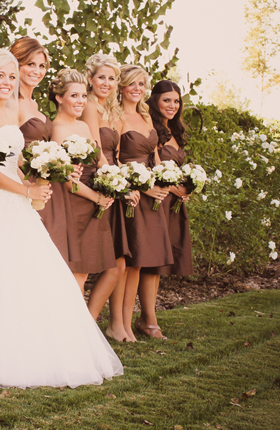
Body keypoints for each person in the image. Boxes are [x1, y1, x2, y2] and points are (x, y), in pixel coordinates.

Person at [0, 48, 123, 388]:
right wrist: (26, 192)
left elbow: (18, 158)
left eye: (12, 76)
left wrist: (43, 170)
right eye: (1, 76)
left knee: (38, 273)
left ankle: (41, 344)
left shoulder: (11, 109)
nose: (7, 83)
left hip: (19, 199)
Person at [81, 53, 138, 340]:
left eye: (111, 78)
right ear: (90, 79)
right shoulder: (89, 106)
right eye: (101, 77)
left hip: (111, 185)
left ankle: (91, 323)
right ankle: (85, 325)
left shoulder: (112, 112)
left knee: (118, 262)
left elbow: (115, 156)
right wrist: (119, 186)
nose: (106, 83)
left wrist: (126, 182)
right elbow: (96, 151)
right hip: (94, 185)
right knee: (97, 261)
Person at [11, 37, 82, 265]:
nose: (37, 71)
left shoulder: (34, 104)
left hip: (48, 186)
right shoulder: (13, 103)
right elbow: (9, 150)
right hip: (28, 185)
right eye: (30, 64)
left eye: (41, 66)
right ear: (16, 63)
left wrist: (62, 168)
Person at [117, 65, 174, 341]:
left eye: (142, 84)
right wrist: (142, 186)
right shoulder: (116, 116)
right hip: (133, 195)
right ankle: (121, 323)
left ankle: (130, 324)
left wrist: (163, 180)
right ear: (122, 86)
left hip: (152, 193)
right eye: (132, 84)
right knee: (128, 261)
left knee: (140, 263)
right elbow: (115, 159)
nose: (137, 89)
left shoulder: (145, 116)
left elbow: (155, 156)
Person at [50, 68, 117, 293]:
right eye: (74, 96)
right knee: (73, 270)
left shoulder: (83, 126)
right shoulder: (57, 130)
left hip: (93, 202)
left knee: (84, 270)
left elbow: (100, 161)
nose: (80, 101)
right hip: (73, 204)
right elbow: (66, 180)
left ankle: (76, 325)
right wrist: (96, 197)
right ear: (59, 98)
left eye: (82, 96)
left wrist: (114, 183)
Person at [141, 80, 194, 314]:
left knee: (162, 263)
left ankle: (148, 317)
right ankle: (149, 319)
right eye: (166, 100)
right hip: (156, 199)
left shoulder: (175, 131)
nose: (172, 105)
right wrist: (175, 188)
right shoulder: (150, 128)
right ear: (155, 101)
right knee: (152, 262)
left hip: (172, 202)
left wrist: (188, 186)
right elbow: (151, 165)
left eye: (176, 101)